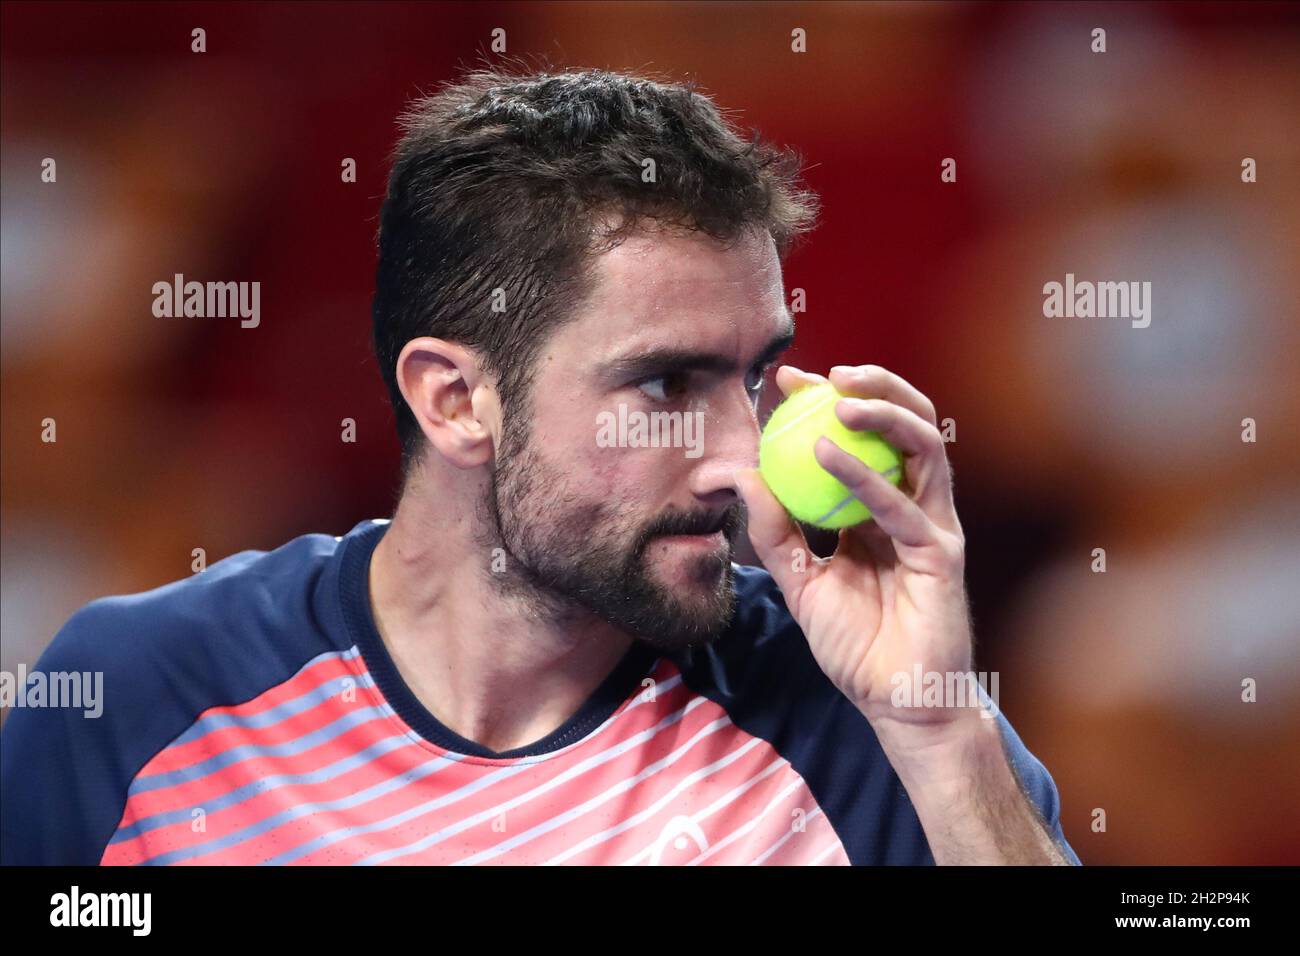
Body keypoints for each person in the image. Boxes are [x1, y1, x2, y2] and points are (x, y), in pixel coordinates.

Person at [0, 67, 1078, 865]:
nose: (737, 460)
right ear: (455, 398)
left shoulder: (848, 714)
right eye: (663, 387)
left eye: (753, 379)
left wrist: (939, 735)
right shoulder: (140, 697)